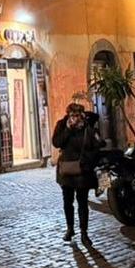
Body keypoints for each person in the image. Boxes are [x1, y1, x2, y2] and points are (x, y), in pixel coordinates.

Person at [52, 102, 102, 244]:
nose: (75, 118)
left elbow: (96, 146)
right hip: (66, 170)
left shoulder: (87, 127)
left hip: (83, 171)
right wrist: (68, 129)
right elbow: (56, 142)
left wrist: (88, 160)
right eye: (72, 115)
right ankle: (70, 228)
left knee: (82, 203)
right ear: (68, 115)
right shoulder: (62, 125)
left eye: (77, 115)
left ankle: (84, 233)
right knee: (67, 202)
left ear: (81, 115)